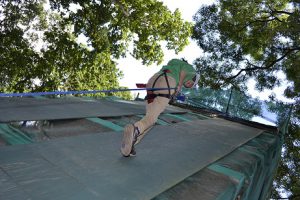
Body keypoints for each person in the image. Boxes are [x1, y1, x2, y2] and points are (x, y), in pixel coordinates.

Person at [120, 58, 200, 157]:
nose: (188, 85)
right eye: (191, 84)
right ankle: (136, 129)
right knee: (151, 119)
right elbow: (184, 69)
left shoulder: (173, 64)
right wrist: (179, 85)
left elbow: (177, 71)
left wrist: (174, 92)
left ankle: (131, 143)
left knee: (150, 119)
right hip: (167, 82)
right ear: (194, 78)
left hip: (153, 82)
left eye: (189, 86)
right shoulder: (191, 70)